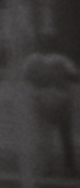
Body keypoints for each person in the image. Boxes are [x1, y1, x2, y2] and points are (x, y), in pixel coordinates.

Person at [21, 35, 79, 176]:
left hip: (41, 100)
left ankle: (46, 167)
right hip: (61, 100)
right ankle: (69, 167)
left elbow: (25, 77)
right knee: (65, 135)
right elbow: (75, 76)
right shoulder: (61, 60)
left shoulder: (32, 60)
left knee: (44, 135)